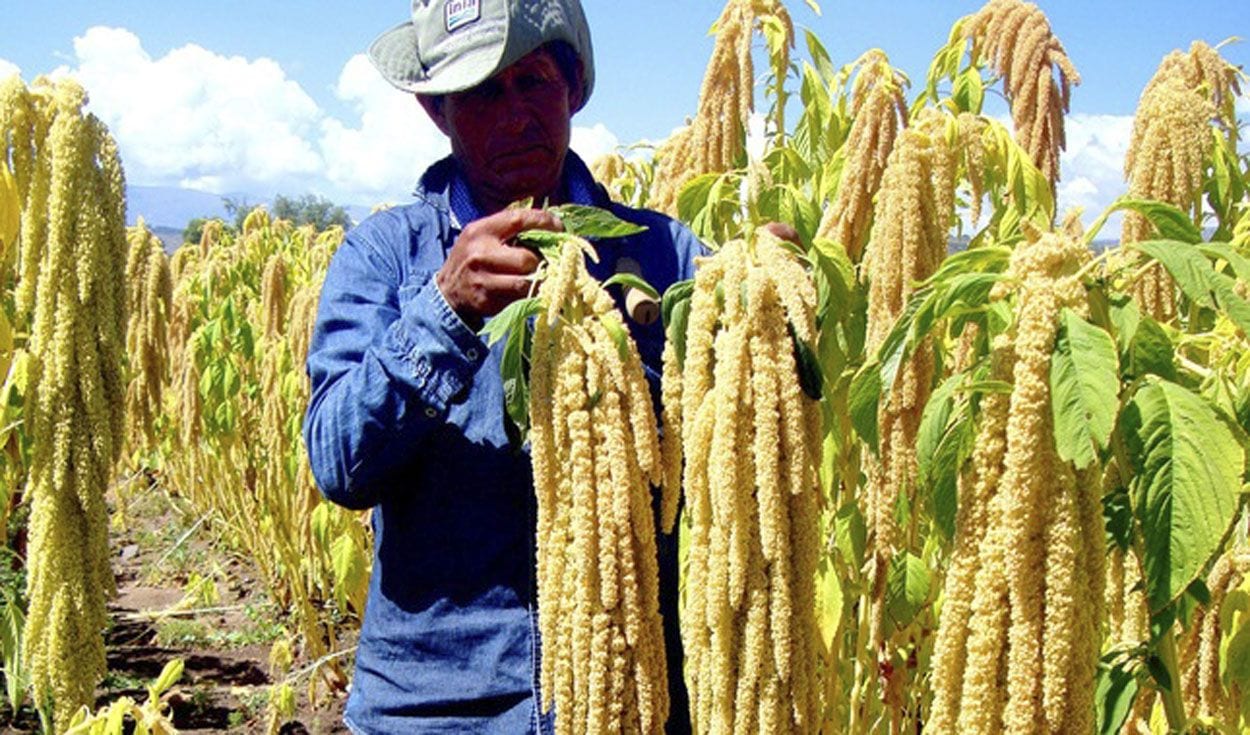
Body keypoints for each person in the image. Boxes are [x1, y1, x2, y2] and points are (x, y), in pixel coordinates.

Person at [302, 1, 704, 732]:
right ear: (438, 111)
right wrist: (443, 310)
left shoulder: (664, 255)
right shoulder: (387, 257)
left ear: (573, 87)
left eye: (534, 82)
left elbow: (739, 448)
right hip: (435, 708)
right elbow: (339, 463)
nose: (515, 114)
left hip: (620, 701)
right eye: (483, 93)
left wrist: (765, 304)